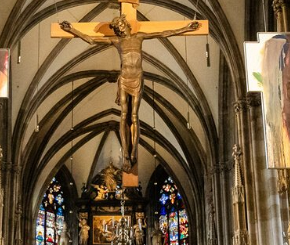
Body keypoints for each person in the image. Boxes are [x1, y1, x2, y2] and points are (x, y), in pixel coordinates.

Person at [60, 17, 199, 168]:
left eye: (121, 24)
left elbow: (163, 33)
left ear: (126, 24)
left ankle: (133, 152)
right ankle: (126, 153)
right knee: (124, 115)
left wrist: (186, 28)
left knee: (134, 116)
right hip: (124, 79)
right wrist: (72, 30)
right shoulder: (117, 41)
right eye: (117, 27)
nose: (120, 28)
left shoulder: (139, 37)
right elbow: (92, 40)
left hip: (137, 78)